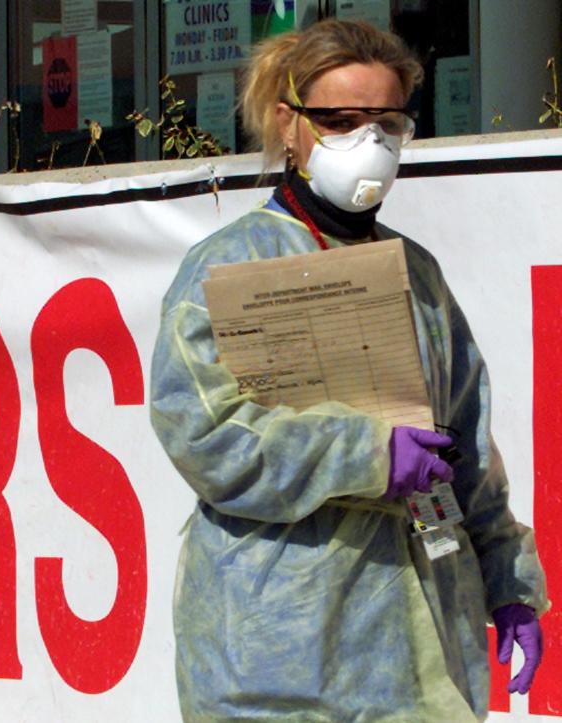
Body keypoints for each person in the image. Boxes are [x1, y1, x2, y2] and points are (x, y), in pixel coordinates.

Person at [149, 19, 548, 722]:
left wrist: (506, 579)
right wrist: (365, 455)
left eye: (385, 123)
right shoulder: (227, 268)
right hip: (276, 655)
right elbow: (203, 434)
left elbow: (467, 442)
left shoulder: (415, 273)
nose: (368, 142)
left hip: (419, 650)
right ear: (289, 124)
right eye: (339, 121)